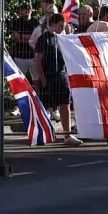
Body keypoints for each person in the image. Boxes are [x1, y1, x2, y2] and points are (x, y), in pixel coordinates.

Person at [34, 13, 82, 146]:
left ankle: (67, 135)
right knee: (45, 107)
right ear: (52, 25)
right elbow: (37, 62)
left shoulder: (63, 38)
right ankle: (42, 134)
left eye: (64, 26)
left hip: (61, 75)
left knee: (65, 104)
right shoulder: (43, 39)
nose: (62, 29)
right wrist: (43, 80)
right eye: (60, 26)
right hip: (48, 76)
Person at [11, 3, 38, 86]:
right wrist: (29, 38)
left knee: (36, 81)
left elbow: (35, 39)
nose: (23, 11)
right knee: (19, 81)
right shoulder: (16, 22)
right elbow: (14, 37)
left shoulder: (35, 22)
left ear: (30, 10)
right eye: (22, 9)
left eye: (25, 9)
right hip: (19, 56)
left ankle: (37, 98)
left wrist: (21, 36)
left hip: (33, 56)